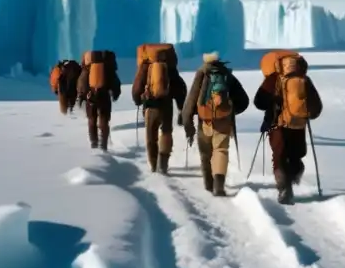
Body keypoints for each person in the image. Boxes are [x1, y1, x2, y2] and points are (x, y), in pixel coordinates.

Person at [254, 50, 322, 205]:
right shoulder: (304, 79)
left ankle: (284, 187)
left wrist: (272, 101)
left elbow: (259, 102)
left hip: (277, 123)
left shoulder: (273, 78)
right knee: (296, 154)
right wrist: (307, 113)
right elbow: (316, 105)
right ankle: (293, 175)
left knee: (279, 156)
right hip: (298, 124)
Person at [182, 52, 250, 197]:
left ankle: (208, 184)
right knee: (221, 150)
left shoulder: (201, 74)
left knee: (205, 153)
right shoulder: (227, 75)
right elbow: (244, 100)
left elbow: (191, 99)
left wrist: (187, 120)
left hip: (205, 121)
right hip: (224, 121)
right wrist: (231, 111)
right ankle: (219, 184)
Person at [132, 43, 187, 174]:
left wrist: (138, 100)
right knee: (166, 132)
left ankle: (153, 163)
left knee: (151, 137)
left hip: (150, 107)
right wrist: (181, 108)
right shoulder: (171, 69)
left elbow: (136, 88)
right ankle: (163, 162)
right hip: (167, 106)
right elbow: (180, 89)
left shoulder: (145, 67)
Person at [77, 50, 121, 150]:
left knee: (92, 120)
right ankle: (104, 145)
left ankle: (94, 144)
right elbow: (116, 83)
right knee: (104, 121)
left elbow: (81, 84)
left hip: (91, 97)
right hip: (105, 97)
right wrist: (115, 95)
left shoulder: (87, 68)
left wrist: (82, 96)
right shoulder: (109, 68)